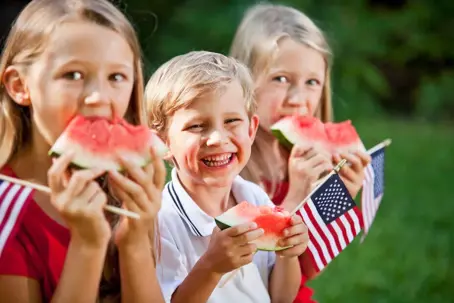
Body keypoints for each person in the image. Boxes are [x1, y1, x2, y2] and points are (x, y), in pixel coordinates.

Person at [0, 0, 166, 302]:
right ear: (19, 85)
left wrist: (134, 241)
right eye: (73, 75)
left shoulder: (125, 194)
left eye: (116, 77)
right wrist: (88, 246)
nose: (98, 97)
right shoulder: (6, 212)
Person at [229, 3, 372, 302]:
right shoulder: (228, 164)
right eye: (281, 79)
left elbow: (308, 267)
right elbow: (246, 274)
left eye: (311, 83)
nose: (298, 98)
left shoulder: (312, 159)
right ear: (244, 79)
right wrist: (294, 196)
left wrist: (340, 192)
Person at [145, 50, 309, 303]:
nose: (218, 139)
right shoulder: (161, 222)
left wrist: (287, 255)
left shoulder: (255, 198)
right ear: (162, 142)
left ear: (251, 129)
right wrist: (211, 267)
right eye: (197, 126)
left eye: (232, 121)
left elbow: (281, 297)